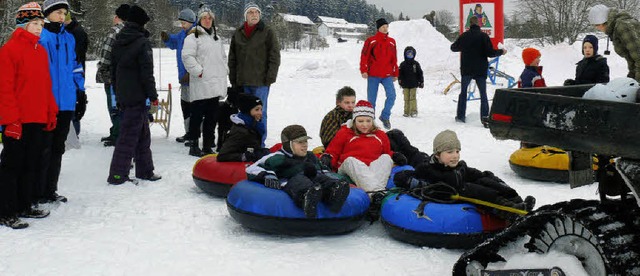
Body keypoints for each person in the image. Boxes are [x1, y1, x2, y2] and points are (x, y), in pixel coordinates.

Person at [0, 2, 58, 229]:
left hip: (37, 118)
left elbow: (45, 86)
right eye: (34, 23)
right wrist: (11, 120)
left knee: (31, 164)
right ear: (22, 25)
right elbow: (4, 90)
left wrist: (51, 111)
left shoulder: (40, 51)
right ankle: (6, 210)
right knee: (12, 165)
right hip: (18, 120)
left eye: (41, 24)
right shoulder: (9, 51)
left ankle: (25, 204)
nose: (38, 28)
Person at [393, 130, 536, 220]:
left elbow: (476, 175)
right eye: (450, 152)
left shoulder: (460, 166)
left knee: (487, 179)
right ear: (438, 155)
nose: (455, 156)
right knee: (472, 189)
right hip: (449, 190)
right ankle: (509, 210)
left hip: (428, 160)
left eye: (457, 151)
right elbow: (403, 177)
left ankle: (516, 201)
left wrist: (490, 177)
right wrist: (421, 184)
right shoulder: (428, 170)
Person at [246, 125, 350, 218]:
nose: (304, 145)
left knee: (321, 177)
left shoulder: (310, 156)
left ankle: (333, 193)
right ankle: (307, 197)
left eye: (305, 141)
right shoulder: (276, 158)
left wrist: (337, 179)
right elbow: (252, 168)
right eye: (300, 142)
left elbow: (324, 170)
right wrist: (268, 175)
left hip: (314, 180)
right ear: (288, 144)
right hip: (290, 181)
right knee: (300, 180)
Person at [107, 5, 161, 185]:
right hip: (137, 96)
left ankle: (145, 170)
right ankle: (117, 174)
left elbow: (113, 71)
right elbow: (147, 73)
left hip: (123, 94)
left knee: (143, 134)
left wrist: (117, 91)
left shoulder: (118, 39)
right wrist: (153, 95)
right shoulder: (142, 43)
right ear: (141, 23)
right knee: (128, 137)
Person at [38, 0, 85, 203]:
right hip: (47, 103)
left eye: (64, 13)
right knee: (43, 149)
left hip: (66, 102)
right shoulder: (41, 37)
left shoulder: (69, 38)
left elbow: (75, 67)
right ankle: (37, 191)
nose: (62, 16)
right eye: (58, 12)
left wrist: (80, 92)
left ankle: (50, 190)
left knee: (58, 147)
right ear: (47, 14)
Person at [321, 100, 407, 192]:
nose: (365, 125)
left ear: (372, 121)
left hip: (372, 169)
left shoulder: (380, 135)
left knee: (386, 158)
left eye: (368, 121)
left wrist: (394, 155)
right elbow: (333, 151)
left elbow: (386, 153)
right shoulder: (345, 132)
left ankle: (374, 194)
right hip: (350, 168)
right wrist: (328, 158)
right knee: (351, 161)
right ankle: (378, 192)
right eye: (360, 121)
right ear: (354, 120)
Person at [228, 2, 281, 147]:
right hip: (243, 81)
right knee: (245, 113)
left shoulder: (267, 32)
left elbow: (275, 56)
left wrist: (270, 77)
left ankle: (259, 143)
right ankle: (246, 141)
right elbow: (232, 58)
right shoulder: (238, 33)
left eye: (256, 12)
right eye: (250, 12)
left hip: (260, 82)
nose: (254, 15)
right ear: (246, 16)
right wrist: (233, 79)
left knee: (259, 113)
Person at [182, 5, 227, 157]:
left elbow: (222, 57)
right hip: (201, 83)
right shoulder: (192, 37)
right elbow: (187, 57)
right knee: (196, 116)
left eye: (209, 18)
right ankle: (194, 145)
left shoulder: (217, 38)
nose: (207, 21)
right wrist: (198, 72)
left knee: (212, 117)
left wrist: (224, 69)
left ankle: (208, 145)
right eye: (204, 18)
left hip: (215, 84)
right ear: (199, 20)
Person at [450, 16, 506, 125]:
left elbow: (453, 48)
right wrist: (501, 52)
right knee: (483, 94)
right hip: (480, 70)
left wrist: (464, 46)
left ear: (469, 24)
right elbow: (490, 53)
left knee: (463, 93)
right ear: (479, 24)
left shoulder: (464, 36)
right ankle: (485, 118)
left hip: (467, 69)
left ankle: (461, 116)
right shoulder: (484, 36)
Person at [96, 4, 129, 147]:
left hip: (112, 75)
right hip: (128, 77)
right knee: (124, 106)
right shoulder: (134, 31)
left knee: (114, 106)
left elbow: (106, 54)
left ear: (118, 17)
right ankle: (117, 132)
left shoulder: (115, 32)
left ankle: (117, 134)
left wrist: (101, 68)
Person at [161, 8, 196, 144]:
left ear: (191, 22)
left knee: (195, 108)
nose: (182, 25)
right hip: (183, 79)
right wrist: (167, 38)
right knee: (185, 106)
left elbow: (200, 57)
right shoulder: (182, 34)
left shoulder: (196, 34)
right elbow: (174, 42)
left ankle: (194, 134)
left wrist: (190, 74)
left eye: (184, 23)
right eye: (181, 23)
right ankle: (188, 132)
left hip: (194, 79)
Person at [360, 18, 398, 130]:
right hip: (373, 75)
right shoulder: (371, 41)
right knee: (371, 100)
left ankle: (385, 116)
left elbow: (394, 59)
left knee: (392, 96)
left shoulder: (392, 41)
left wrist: (395, 73)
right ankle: (370, 121)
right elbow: (364, 56)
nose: (385, 28)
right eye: (383, 27)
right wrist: (364, 70)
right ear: (378, 28)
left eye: (386, 26)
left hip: (387, 75)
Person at [588, 4, 640, 81]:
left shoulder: (622, 26)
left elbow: (638, 57)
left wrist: (638, 83)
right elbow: (631, 59)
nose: (597, 28)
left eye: (596, 25)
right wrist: (631, 79)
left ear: (602, 22)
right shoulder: (616, 27)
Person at [217, 94, 268, 162]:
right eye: (257, 110)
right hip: (240, 165)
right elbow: (222, 155)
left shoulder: (254, 125)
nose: (260, 113)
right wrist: (244, 156)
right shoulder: (240, 131)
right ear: (247, 111)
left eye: (261, 109)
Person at [64, 12, 89, 136]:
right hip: (73, 71)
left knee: (74, 103)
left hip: (75, 72)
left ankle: (74, 132)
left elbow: (78, 54)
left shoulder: (76, 32)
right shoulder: (68, 31)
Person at [398, 46, 424, 117]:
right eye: (408, 54)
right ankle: (406, 111)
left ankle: (413, 111)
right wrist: (400, 81)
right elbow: (399, 74)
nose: (410, 56)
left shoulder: (416, 64)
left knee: (412, 98)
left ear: (414, 55)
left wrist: (421, 82)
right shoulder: (402, 64)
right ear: (405, 54)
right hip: (405, 85)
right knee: (406, 98)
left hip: (414, 84)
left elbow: (420, 73)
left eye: (411, 54)